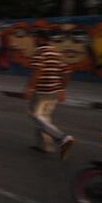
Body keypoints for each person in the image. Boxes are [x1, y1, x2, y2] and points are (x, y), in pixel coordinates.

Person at [24, 30, 75, 159]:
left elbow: (37, 70)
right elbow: (67, 72)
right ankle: (45, 147)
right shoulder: (56, 52)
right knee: (44, 118)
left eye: (35, 38)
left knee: (35, 116)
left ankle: (62, 138)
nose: (34, 41)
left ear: (40, 39)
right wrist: (63, 89)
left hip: (41, 92)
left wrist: (29, 87)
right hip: (54, 92)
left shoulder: (40, 52)